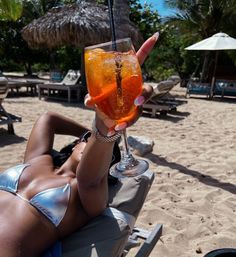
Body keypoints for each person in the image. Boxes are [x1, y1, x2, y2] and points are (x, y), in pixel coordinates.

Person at [0, 32, 159, 257]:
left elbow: (92, 179)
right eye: (85, 141)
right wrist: (87, 133)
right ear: (74, 145)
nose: (88, 143)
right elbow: (48, 118)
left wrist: (104, 130)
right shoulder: (38, 161)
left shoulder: (85, 198)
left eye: (107, 155)